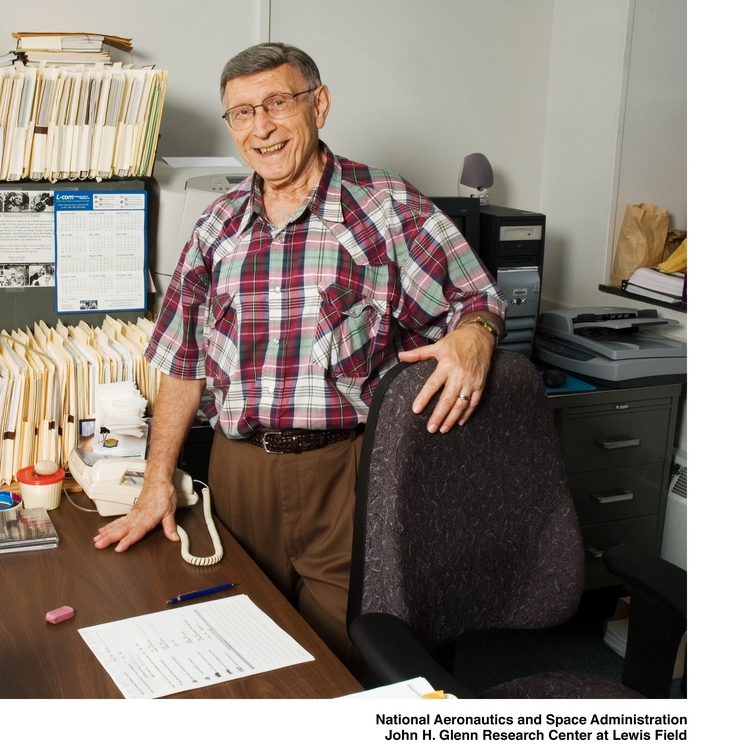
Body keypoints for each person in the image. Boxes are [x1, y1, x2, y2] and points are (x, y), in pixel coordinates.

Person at [94, 42, 507, 664]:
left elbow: (476, 296)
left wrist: (477, 334)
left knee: (345, 656)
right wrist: (156, 483)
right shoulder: (216, 228)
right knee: (238, 650)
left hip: (347, 471)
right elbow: (181, 364)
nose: (261, 128)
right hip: (239, 474)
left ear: (319, 104)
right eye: (241, 113)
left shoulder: (388, 209)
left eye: (278, 104)